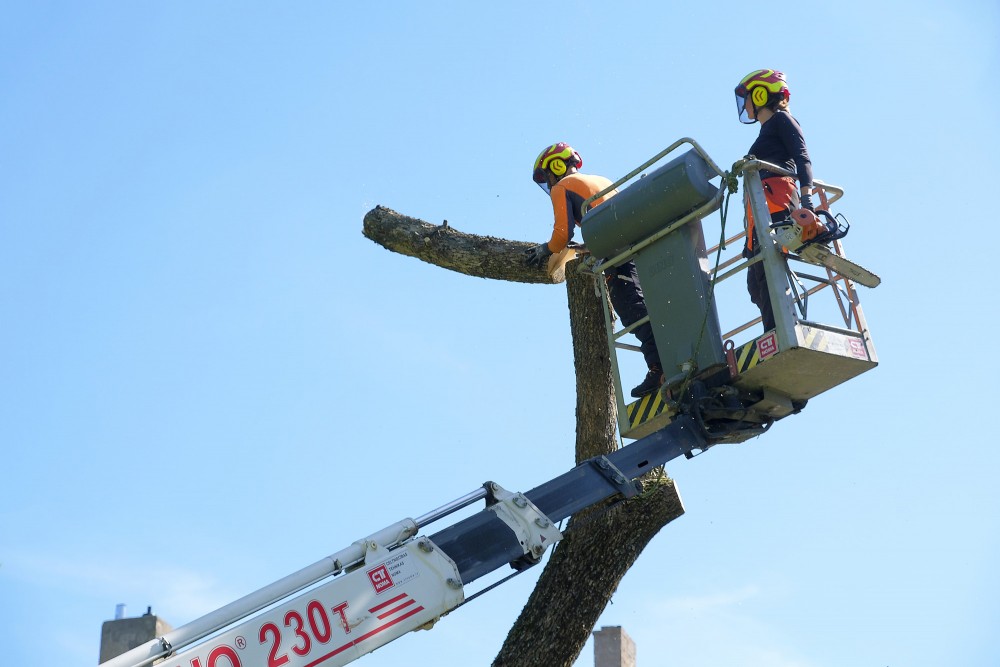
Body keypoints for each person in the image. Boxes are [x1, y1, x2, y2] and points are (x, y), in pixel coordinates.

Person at [524, 142, 664, 398]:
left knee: (633, 310)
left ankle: (660, 367)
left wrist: (545, 250)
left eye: (548, 175)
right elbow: (607, 215)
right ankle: (665, 358)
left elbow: (562, 233)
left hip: (616, 251)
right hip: (634, 243)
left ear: (556, 166)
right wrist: (591, 245)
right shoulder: (600, 180)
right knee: (642, 304)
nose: (549, 182)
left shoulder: (562, 187)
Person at [734, 69, 815, 332]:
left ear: (760, 94)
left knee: (768, 274)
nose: (745, 104)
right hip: (759, 214)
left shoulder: (782, 120)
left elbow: (802, 158)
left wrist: (807, 201)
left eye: (747, 97)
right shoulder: (765, 132)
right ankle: (775, 328)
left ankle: (779, 331)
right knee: (755, 284)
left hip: (777, 206)